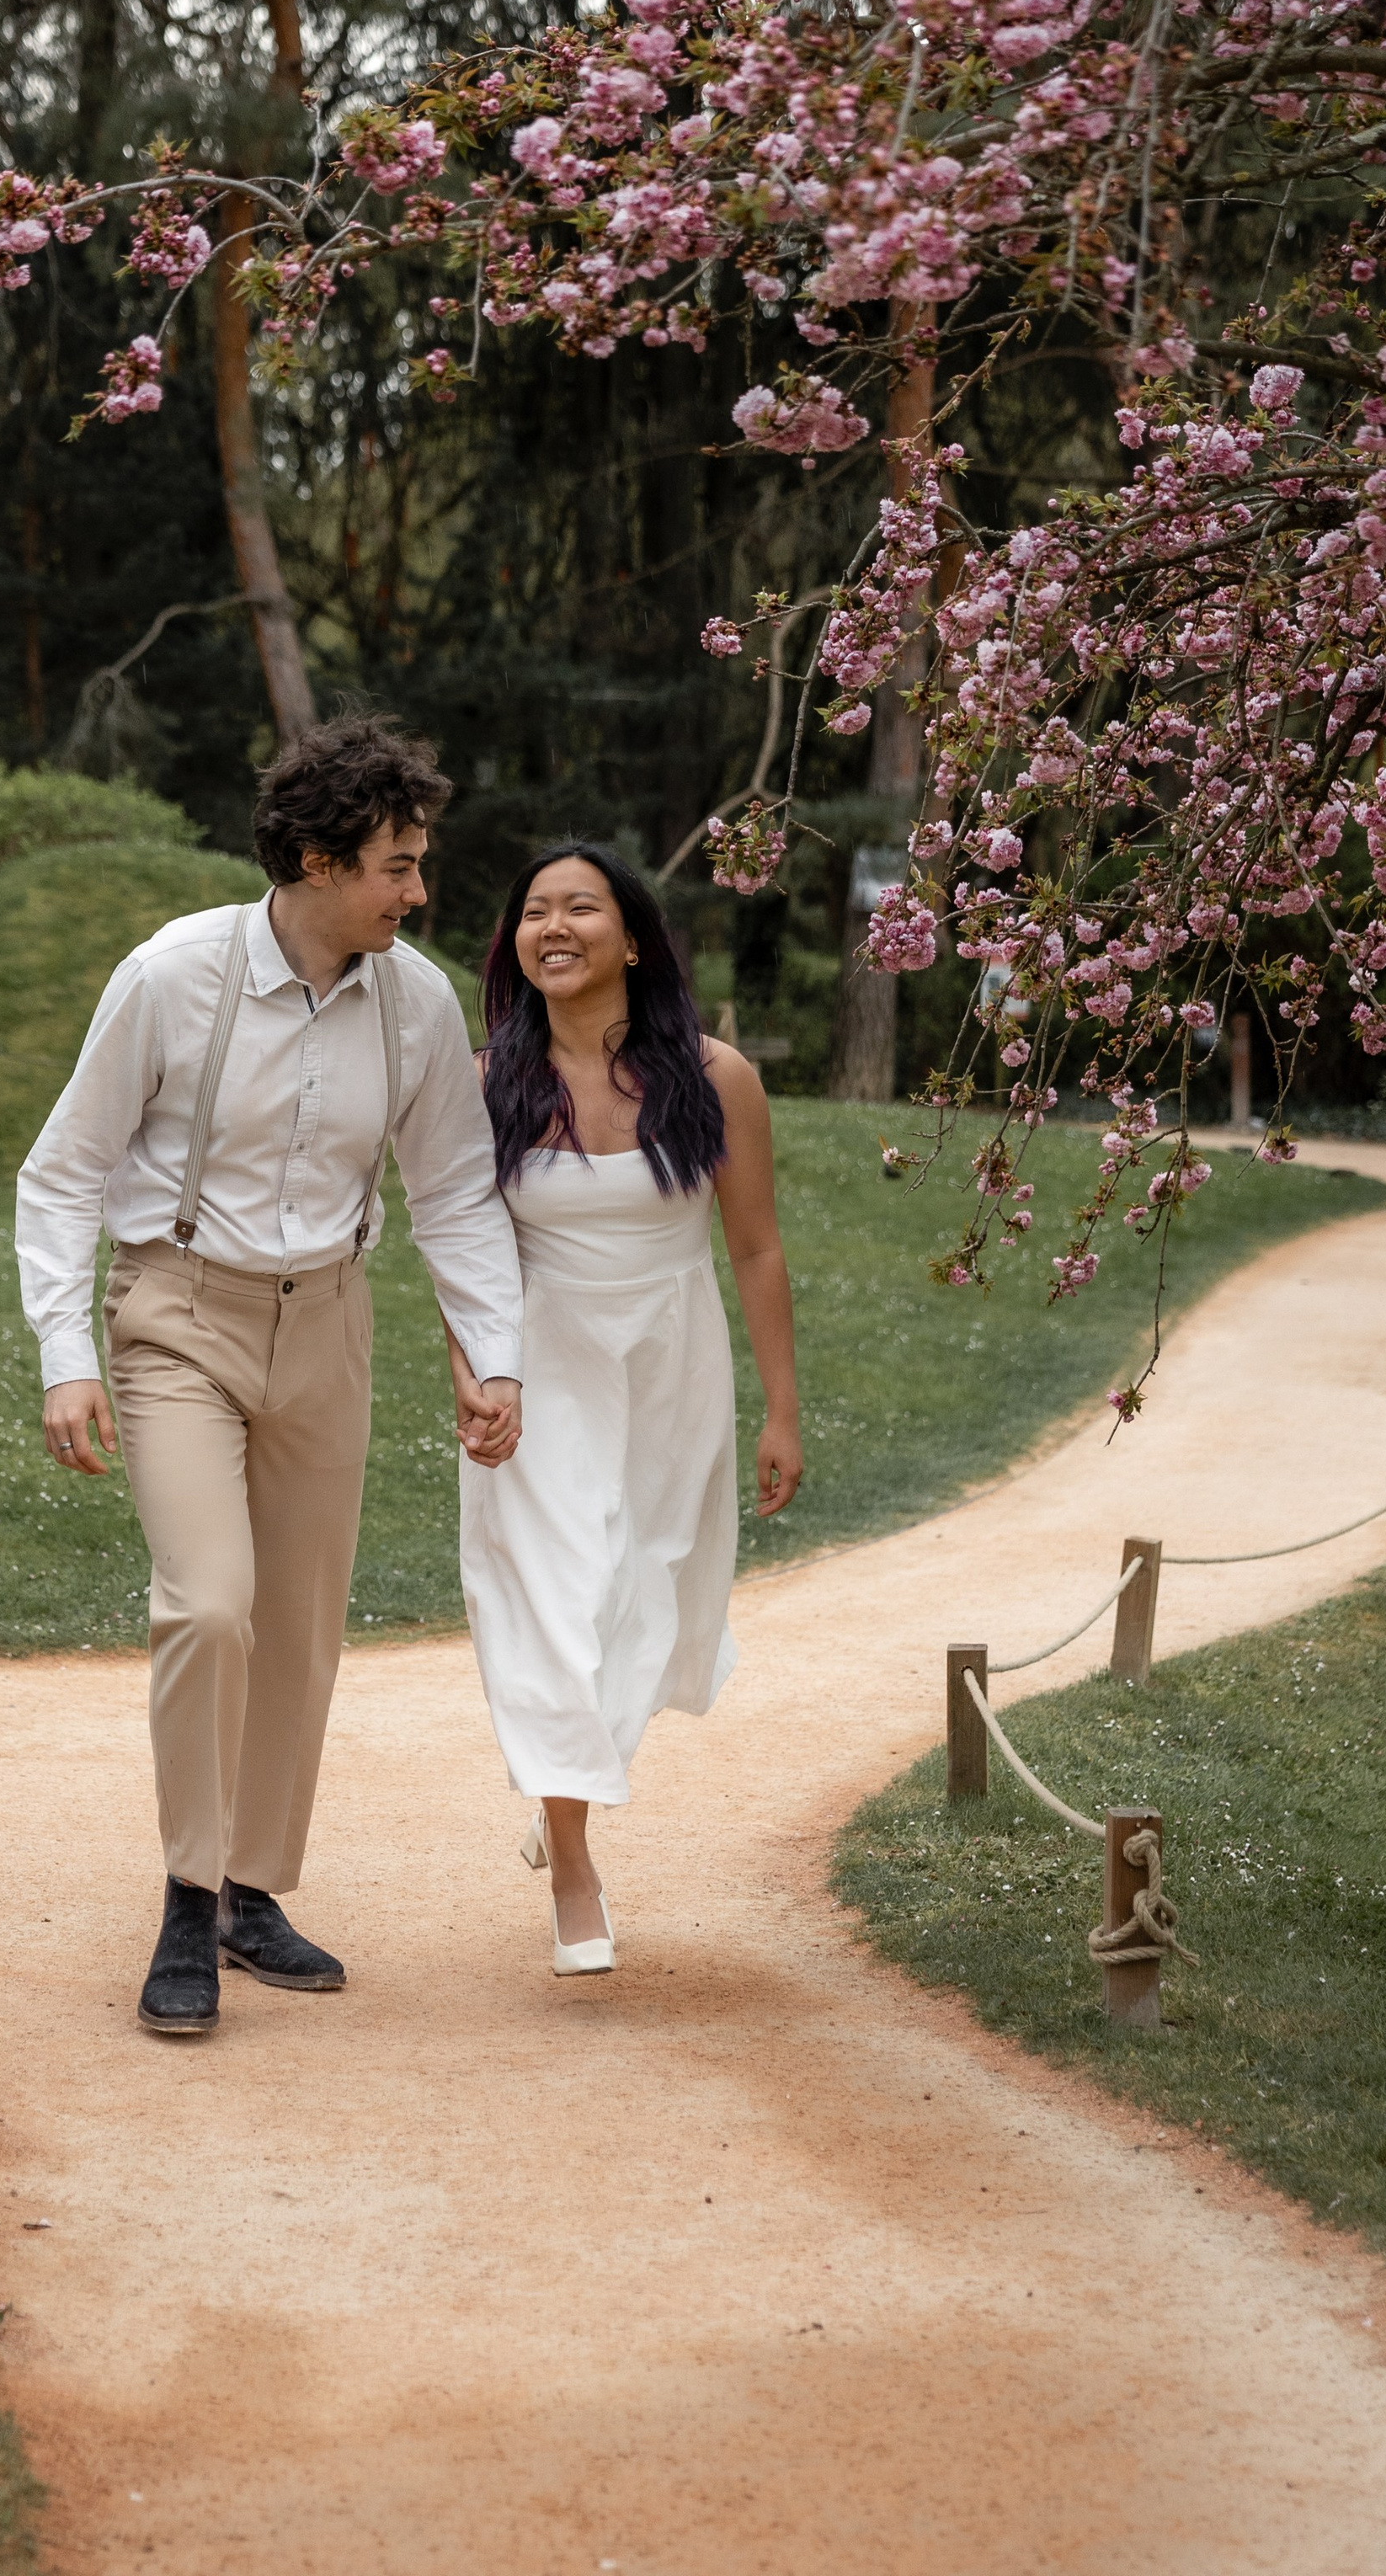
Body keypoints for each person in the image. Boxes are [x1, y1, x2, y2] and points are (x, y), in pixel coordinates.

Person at [16, 717, 524, 2039]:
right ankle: (188, 1898)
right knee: (211, 1607)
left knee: (298, 1628)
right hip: (178, 1315)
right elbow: (64, 1172)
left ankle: (251, 1890)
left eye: (419, 863)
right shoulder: (172, 976)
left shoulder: (416, 1001)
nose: (419, 892)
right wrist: (68, 1355)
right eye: (397, 866)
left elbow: (457, 1194)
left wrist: (496, 1361)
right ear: (314, 858)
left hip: (331, 1325)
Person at [450, 843, 803, 1976]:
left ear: (633, 938)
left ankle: (564, 1781)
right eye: (534, 911)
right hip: (537, 1366)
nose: (553, 926)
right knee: (550, 1597)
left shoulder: (715, 1078)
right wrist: (474, 1370)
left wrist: (781, 1412)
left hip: (671, 1361)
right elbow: (466, 1254)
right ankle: (573, 1862)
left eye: (581, 908)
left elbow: (755, 1248)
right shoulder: (480, 1083)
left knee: (641, 1595)